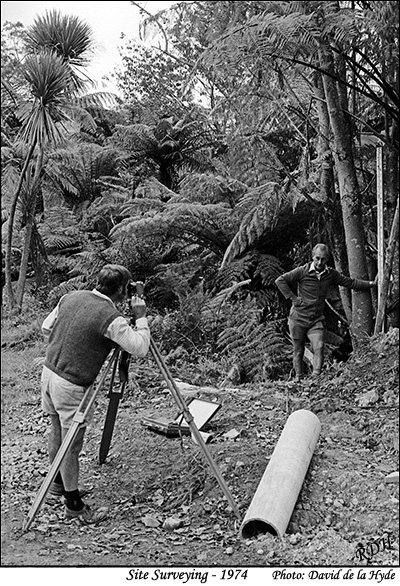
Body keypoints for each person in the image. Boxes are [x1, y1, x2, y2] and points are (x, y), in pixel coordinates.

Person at [40, 264, 150, 524]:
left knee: (56, 428)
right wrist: (141, 317)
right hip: (71, 383)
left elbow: (46, 328)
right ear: (123, 290)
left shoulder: (71, 297)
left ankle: (58, 483)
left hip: (49, 372)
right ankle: (74, 505)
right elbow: (139, 348)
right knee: (73, 443)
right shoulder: (110, 318)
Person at [275, 244, 376, 382]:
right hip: (297, 318)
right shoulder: (302, 271)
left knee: (319, 346)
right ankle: (299, 379)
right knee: (298, 350)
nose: (319, 262)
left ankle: (315, 379)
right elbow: (280, 280)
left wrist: (371, 283)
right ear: (312, 256)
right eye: (317, 258)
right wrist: (293, 298)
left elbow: (350, 282)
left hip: (316, 319)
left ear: (327, 259)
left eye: (323, 259)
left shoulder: (330, 274)